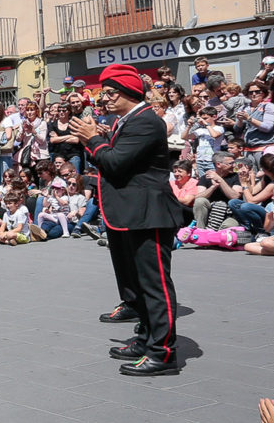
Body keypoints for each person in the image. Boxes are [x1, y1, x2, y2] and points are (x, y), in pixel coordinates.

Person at [69, 64, 189, 376]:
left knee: (155, 286)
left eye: (110, 93)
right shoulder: (129, 120)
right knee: (136, 284)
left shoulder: (146, 120)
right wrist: (102, 140)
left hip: (148, 215)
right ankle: (145, 337)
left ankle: (163, 354)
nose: (104, 99)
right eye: (103, 93)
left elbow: (115, 162)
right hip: (130, 214)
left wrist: (92, 139)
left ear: (128, 94)